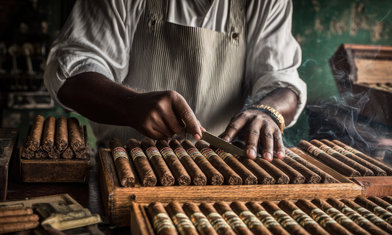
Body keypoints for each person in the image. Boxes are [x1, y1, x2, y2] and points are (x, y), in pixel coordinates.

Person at [44, 0, 306, 161]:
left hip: (222, 172)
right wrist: (129, 104)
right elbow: (69, 72)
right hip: (126, 165)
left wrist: (268, 111)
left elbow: (283, 81)